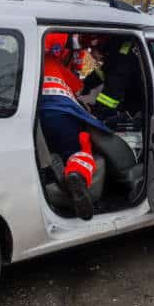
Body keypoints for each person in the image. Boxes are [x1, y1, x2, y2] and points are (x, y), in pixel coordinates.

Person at [39, 32, 111, 221]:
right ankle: (76, 174)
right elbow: (78, 87)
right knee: (81, 149)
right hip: (61, 114)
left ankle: (56, 163)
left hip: (37, 118)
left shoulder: (29, 62)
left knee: (51, 145)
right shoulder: (55, 63)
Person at [80, 35, 144, 129]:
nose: (92, 55)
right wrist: (84, 85)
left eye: (92, 49)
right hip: (138, 92)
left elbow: (111, 95)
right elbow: (105, 71)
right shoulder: (119, 48)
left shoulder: (122, 58)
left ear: (99, 44)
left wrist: (95, 114)